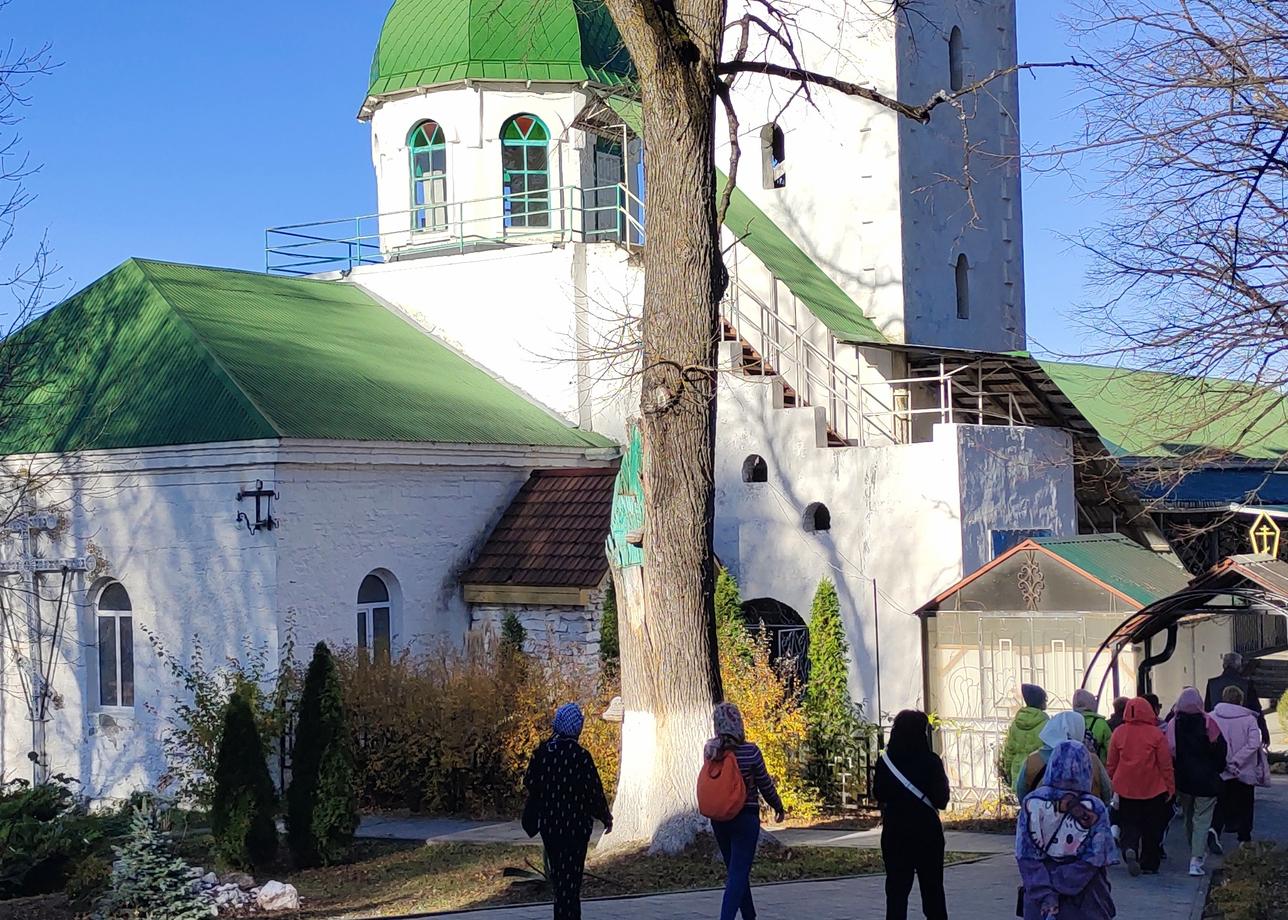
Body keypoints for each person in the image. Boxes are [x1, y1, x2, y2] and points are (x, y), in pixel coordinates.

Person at [521, 703, 613, 920]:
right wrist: (605, 817)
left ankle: (561, 912)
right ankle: (570, 915)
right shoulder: (581, 756)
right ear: (577, 728)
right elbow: (594, 792)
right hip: (576, 828)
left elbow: (530, 783)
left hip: (550, 826)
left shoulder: (542, 753)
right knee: (572, 882)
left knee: (559, 878)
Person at [1017, 741, 1118, 920]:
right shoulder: (1094, 808)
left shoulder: (1032, 803)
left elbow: (1025, 855)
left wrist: (1045, 891)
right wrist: (1061, 882)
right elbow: (1094, 858)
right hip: (1086, 899)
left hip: (1040, 902)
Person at [704, 701, 785, 920]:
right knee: (739, 873)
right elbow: (764, 783)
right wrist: (778, 805)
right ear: (739, 723)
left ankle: (749, 916)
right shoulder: (751, 751)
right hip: (745, 818)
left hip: (719, 818)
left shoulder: (711, 750)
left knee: (735, 871)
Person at [874, 710, 951, 920]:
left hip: (895, 831)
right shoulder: (931, 762)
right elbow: (942, 800)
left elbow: (878, 793)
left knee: (897, 891)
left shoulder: (886, 762)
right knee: (933, 889)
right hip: (927, 833)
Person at [1107, 697, 1176, 876]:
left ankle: (1129, 847)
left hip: (1126, 787)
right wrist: (1170, 786)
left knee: (1129, 823)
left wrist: (1112, 782)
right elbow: (1165, 764)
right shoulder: (1156, 734)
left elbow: (1112, 763)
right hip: (1153, 788)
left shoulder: (1119, 732)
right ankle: (1149, 863)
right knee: (1152, 827)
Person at [1167, 687, 1227, 876]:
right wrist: (1217, 769)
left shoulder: (1173, 723)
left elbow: (1170, 752)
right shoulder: (1209, 722)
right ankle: (1196, 859)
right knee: (1202, 819)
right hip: (1206, 781)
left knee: (1188, 817)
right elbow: (1221, 751)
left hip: (1183, 780)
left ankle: (1194, 849)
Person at [1210, 685, 1271, 850]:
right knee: (1246, 803)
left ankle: (1215, 830)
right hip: (1244, 769)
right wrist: (1237, 761)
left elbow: (1210, 742)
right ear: (1241, 700)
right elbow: (1253, 743)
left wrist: (1226, 761)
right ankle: (1244, 837)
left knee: (1221, 802)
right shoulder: (1249, 719)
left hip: (1222, 768)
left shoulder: (1211, 717)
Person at [1014, 710, 1113, 805]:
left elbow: (1022, 793)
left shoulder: (1032, 760)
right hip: (1085, 818)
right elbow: (1107, 794)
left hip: (1043, 819)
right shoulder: (1092, 760)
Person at [1205, 652, 1270, 744]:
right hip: (1241, 732)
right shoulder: (1246, 684)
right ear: (1239, 667)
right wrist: (1264, 732)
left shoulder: (1212, 684)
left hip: (1218, 731)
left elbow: (1207, 710)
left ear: (1224, 665)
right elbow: (1256, 710)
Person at [1000, 684, 1050, 785]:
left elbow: (1009, 752)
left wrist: (1009, 774)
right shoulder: (1047, 724)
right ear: (1039, 701)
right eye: (1045, 699)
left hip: (1017, 772)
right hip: (1038, 773)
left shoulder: (1016, 724)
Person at [1073, 689, 1113, 761]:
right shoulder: (1100, 723)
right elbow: (1111, 750)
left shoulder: (1067, 722)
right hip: (1095, 767)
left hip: (1074, 768)